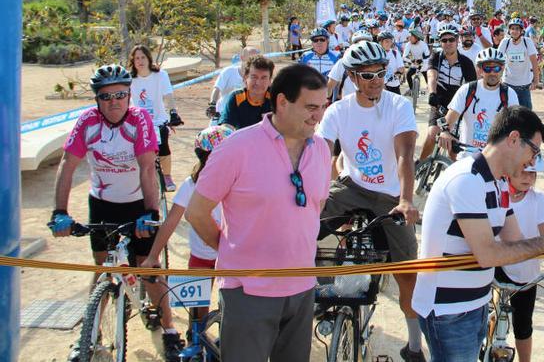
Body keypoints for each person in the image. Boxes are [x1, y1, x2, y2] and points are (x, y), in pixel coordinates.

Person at [413, 106, 544, 361]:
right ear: (514, 139)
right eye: (533, 151)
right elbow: (487, 254)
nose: (532, 161)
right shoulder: (467, 179)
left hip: (476, 303)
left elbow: (516, 243)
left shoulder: (498, 183)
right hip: (447, 311)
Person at [185, 63, 332, 361]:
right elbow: (197, 212)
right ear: (281, 102)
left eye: (323, 107)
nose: (318, 116)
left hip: (302, 290)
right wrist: (231, 251)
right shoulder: (236, 147)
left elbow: (317, 207)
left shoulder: (322, 149)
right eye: (310, 107)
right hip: (248, 292)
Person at [48, 64, 184, 360]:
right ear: (97, 99)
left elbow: (148, 168)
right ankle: (90, 333)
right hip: (103, 203)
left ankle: (170, 329)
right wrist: (59, 211)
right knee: (101, 270)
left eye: (120, 95)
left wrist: (149, 212)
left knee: (148, 267)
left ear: (129, 95)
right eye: (106, 97)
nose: (114, 102)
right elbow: (67, 166)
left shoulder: (140, 119)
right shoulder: (87, 122)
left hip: (138, 201)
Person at [316, 41, 425, 362]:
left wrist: (406, 200)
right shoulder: (337, 111)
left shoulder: (398, 105)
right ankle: (321, 294)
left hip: (390, 195)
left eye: (381, 73)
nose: (376, 80)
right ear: (352, 77)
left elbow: (405, 156)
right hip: (350, 186)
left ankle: (415, 344)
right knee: (302, 229)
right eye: (367, 75)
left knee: (408, 273)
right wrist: (314, 195)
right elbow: (321, 155)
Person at [142, 124, 235, 344]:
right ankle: (197, 340)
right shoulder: (191, 185)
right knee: (197, 313)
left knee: (231, 307)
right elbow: (170, 222)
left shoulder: (239, 181)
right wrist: (153, 255)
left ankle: (226, 341)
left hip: (231, 257)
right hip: (202, 256)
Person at [497, 156, 544, 362]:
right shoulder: (498, 194)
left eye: (532, 173)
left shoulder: (538, 198)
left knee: (523, 325)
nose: (528, 177)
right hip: (496, 263)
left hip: (526, 272)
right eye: (523, 171)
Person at [440, 48, 519, 152]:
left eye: (496, 68)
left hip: (496, 157)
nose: (492, 73)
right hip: (467, 156)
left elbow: (516, 127)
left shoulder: (510, 94)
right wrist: (445, 132)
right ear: (480, 70)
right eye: (487, 68)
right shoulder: (467, 90)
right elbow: (449, 121)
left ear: (502, 68)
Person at [419, 23, 477, 162]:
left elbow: (472, 88)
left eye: (451, 40)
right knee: (432, 134)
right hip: (439, 102)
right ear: (440, 42)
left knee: (453, 150)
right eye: (444, 40)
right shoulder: (436, 57)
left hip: (457, 106)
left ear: (457, 41)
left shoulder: (466, 63)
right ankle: (420, 164)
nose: (448, 43)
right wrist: (432, 93)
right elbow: (432, 75)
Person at [128, 44, 183, 191]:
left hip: (158, 120)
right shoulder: (129, 79)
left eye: (143, 57)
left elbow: (168, 95)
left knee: (163, 146)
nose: (140, 61)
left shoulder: (160, 75)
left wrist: (173, 112)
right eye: (137, 58)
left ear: (149, 58)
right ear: (133, 61)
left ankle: (167, 176)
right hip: (138, 121)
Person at [219, 55, 274, 129]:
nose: (258, 82)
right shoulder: (236, 97)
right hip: (242, 139)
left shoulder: (276, 97)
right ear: (245, 78)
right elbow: (226, 127)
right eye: (254, 77)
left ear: (270, 81)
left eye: (264, 78)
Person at [207, 46, 259, 122]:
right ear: (242, 58)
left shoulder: (258, 77)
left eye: (256, 60)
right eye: (250, 59)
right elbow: (217, 88)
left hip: (244, 117)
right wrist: (212, 105)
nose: (254, 63)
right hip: (222, 114)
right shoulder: (228, 71)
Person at [498, 18, 540, 110]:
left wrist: (535, 81)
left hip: (524, 85)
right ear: (509, 30)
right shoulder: (505, 42)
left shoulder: (527, 42)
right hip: (508, 83)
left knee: (526, 114)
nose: (515, 31)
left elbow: (534, 62)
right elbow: (499, 61)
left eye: (517, 29)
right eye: (512, 28)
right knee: (507, 113)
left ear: (521, 31)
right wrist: (498, 77)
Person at [403, 28, 431, 93]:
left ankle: (430, 90)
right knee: (408, 74)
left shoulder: (423, 44)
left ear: (417, 38)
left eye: (412, 37)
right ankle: (411, 89)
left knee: (427, 77)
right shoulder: (408, 44)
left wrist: (422, 61)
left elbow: (427, 56)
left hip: (423, 63)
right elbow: (404, 56)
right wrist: (411, 60)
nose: (410, 38)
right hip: (414, 63)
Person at [378, 30, 406, 94]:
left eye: (390, 41)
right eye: (386, 41)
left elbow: (401, 68)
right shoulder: (377, 54)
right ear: (380, 42)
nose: (389, 44)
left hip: (394, 85)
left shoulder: (395, 53)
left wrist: (398, 72)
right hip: (380, 86)